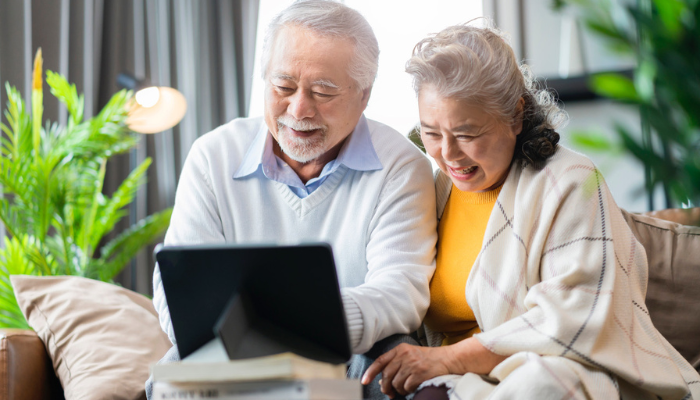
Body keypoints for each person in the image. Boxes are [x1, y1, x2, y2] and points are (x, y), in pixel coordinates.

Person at [362, 21, 700, 400]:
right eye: (431, 133)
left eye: (467, 134)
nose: (449, 154)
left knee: (542, 383)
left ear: (516, 115)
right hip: (455, 384)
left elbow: (573, 316)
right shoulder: (431, 190)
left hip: (567, 372)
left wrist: (448, 359)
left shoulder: (569, 180)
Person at [146, 1, 437, 398]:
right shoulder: (212, 155)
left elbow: (399, 293)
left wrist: (286, 322)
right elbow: (179, 288)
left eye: (323, 91)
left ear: (364, 94)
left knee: (396, 375)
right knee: (171, 382)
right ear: (263, 78)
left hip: (353, 353)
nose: (298, 109)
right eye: (283, 87)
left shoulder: (401, 165)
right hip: (233, 351)